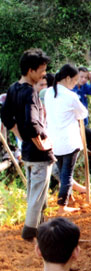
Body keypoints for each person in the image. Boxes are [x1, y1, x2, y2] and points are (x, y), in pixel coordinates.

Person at [0, 48, 55, 241]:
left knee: (35, 190)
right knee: (37, 195)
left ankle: (40, 227)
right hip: (38, 153)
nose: (44, 74)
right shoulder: (30, 92)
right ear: (31, 70)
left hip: (27, 151)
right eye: (41, 70)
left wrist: (20, 136)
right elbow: (33, 124)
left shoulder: (14, 88)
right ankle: (30, 231)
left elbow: (6, 116)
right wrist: (40, 142)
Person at [45, 64, 88, 215]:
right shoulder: (71, 96)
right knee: (67, 174)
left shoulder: (49, 92)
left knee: (64, 173)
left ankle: (68, 199)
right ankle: (62, 206)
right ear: (68, 78)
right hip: (69, 142)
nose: (76, 83)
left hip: (55, 142)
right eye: (75, 80)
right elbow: (82, 113)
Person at [72, 66, 91, 151]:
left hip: (83, 120)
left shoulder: (84, 86)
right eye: (81, 77)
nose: (83, 79)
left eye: (86, 77)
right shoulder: (72, 89)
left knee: (86, 140)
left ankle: (87, 157)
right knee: (90, 135)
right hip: (75, 122)